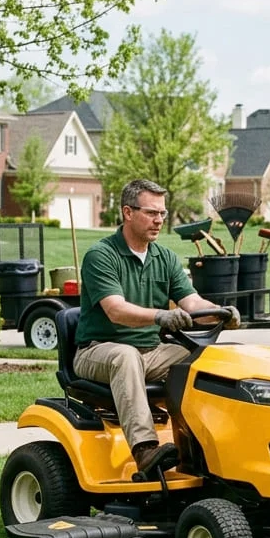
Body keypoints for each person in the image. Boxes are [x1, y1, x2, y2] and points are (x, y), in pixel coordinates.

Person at [74, 179, 241, 477]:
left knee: (207, 360)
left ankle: (205, 446)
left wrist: (220, 314)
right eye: (152, 213)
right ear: (128, 212)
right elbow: (115, 311)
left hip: (151, 353)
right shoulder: (101, 255)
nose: (159, 220)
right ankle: (145, 450)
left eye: (162, 214)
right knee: (125, 356)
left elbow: (192, 302)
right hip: (97, 351)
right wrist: (160, 316)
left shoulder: (165, 258)